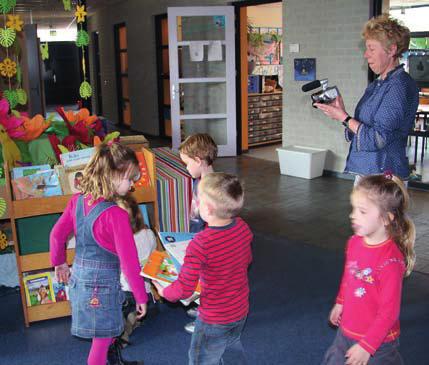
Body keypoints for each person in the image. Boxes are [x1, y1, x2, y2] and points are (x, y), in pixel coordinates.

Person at [50, 142, 148, 365]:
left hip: (80, 282)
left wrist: (60, 263)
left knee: (106, 334)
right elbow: (129, 262)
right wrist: (141, 296)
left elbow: (56, 235)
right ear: (114, 175)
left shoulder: (76, 202)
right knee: (102, 340)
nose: (132, 186)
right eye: (130, 179)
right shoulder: (117, 215)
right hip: (102, 289)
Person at [154, 172, 253, 365]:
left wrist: (165, 292)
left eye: (197, 200)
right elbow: (246, 259)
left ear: (206, 209)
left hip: (214, 317)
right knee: (232, 346)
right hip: (239, 309)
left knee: (201, 358)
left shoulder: (201, 243)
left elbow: (184, 289)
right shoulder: (242, 226)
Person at [322, 173, 415, 365]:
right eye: (353, 208)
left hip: (379, 342)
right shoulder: (354, 242)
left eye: (362, 211)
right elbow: (349, 276)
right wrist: (340, 302)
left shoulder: (391, 262)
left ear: (386, 218)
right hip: (347, 329)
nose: (352, 215)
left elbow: (389, 313)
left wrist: (367, 346)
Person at [314, 14, 419, 181]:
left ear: (391, 50)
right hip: (369, 173)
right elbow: (362, 128)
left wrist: (344, 117)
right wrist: (342, 114)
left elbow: (377, 138)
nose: (366, 55)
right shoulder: (379, 84)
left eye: (371, 49)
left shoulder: (399, 86)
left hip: (384, 177)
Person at [178, 133, 218, 333]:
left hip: (208, 240)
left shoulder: (209, 186)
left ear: (198, 160)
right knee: (202, 277)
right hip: (199, 235)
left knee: (207, 279)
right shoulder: (203, 180)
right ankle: (204, 307)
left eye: (187, 164)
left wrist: (199, 239)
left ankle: (207, 319)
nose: (186, 168)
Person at [117, 195, 157, 345]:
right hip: (144, 292)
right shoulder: (148, 234)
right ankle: (134, 318)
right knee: (152, 311)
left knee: (119, 305)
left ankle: (126, 323)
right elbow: (153, 260)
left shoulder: (117, 238)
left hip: (124, 289)